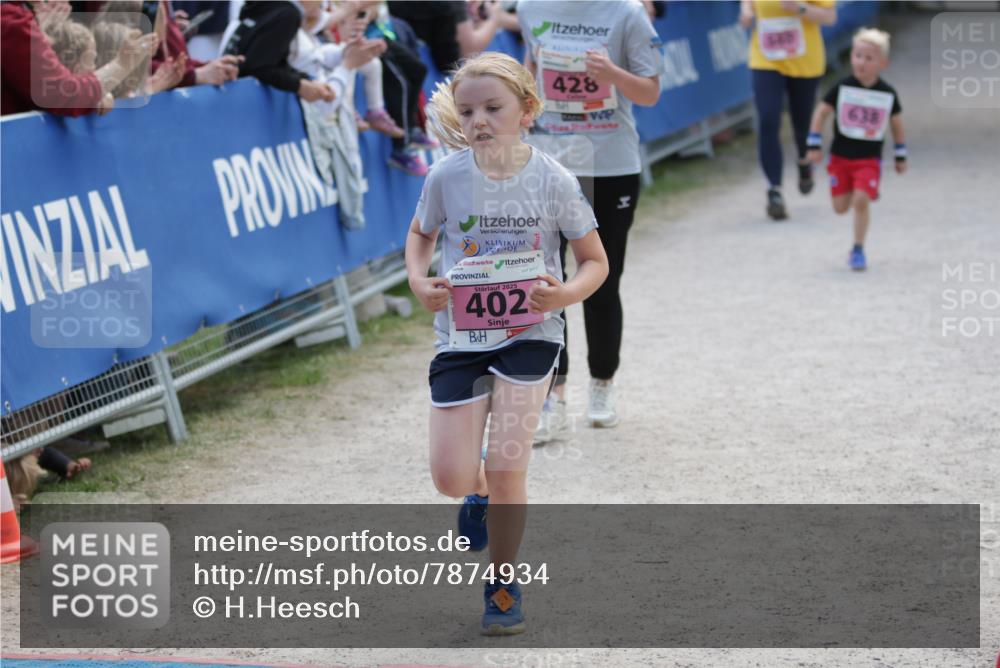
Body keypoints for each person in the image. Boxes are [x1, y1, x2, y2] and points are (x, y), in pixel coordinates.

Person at [406, 52, 608, 634]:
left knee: (509, 465)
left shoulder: (553, 179)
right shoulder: (445, 176)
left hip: (530, 333)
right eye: (468, 111)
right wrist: (420, 282)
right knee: (451, 476)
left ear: (527, 109)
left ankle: (501, 583)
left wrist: (563, 295)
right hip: (462, 336)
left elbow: (595, 262)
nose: (479, 121)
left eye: (493, 108)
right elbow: (419, 239)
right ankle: (477, 492)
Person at [516, 0, 661, 439]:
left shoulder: (627, 13)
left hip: (609, 164)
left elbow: (650, 93)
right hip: (548, 163)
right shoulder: (529, 7)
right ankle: (551, 394)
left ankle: (602, 383)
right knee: (542, 281)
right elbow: (529, 75)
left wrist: (612, 75)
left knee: (601, 279)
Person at [806, 27, 905, 271]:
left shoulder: (887, 93)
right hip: (840, 157)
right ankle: (863, 189)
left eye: (869, 58)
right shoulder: (842, 87)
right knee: (840, 208)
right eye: (857, 56)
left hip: (868, 159)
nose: (861, 62)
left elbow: (896, 124)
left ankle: (858, 249)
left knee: (860, 201)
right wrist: (814, 143)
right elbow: (821, 112)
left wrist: (900, 154)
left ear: (883, 63)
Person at [740, 0, 837, 220]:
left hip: (804, 60)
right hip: (766, 59)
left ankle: (804, 161)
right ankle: (774, 190)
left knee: (802, 124)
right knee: (767, 119)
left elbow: (830, 17)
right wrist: (746, 12)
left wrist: (800, 9)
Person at [1, 0, 157, 116]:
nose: (93, 68)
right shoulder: (10, 20)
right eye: (92, 61)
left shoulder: (17, 15)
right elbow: (64, 94)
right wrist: (121, 65)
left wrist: (42, 35)